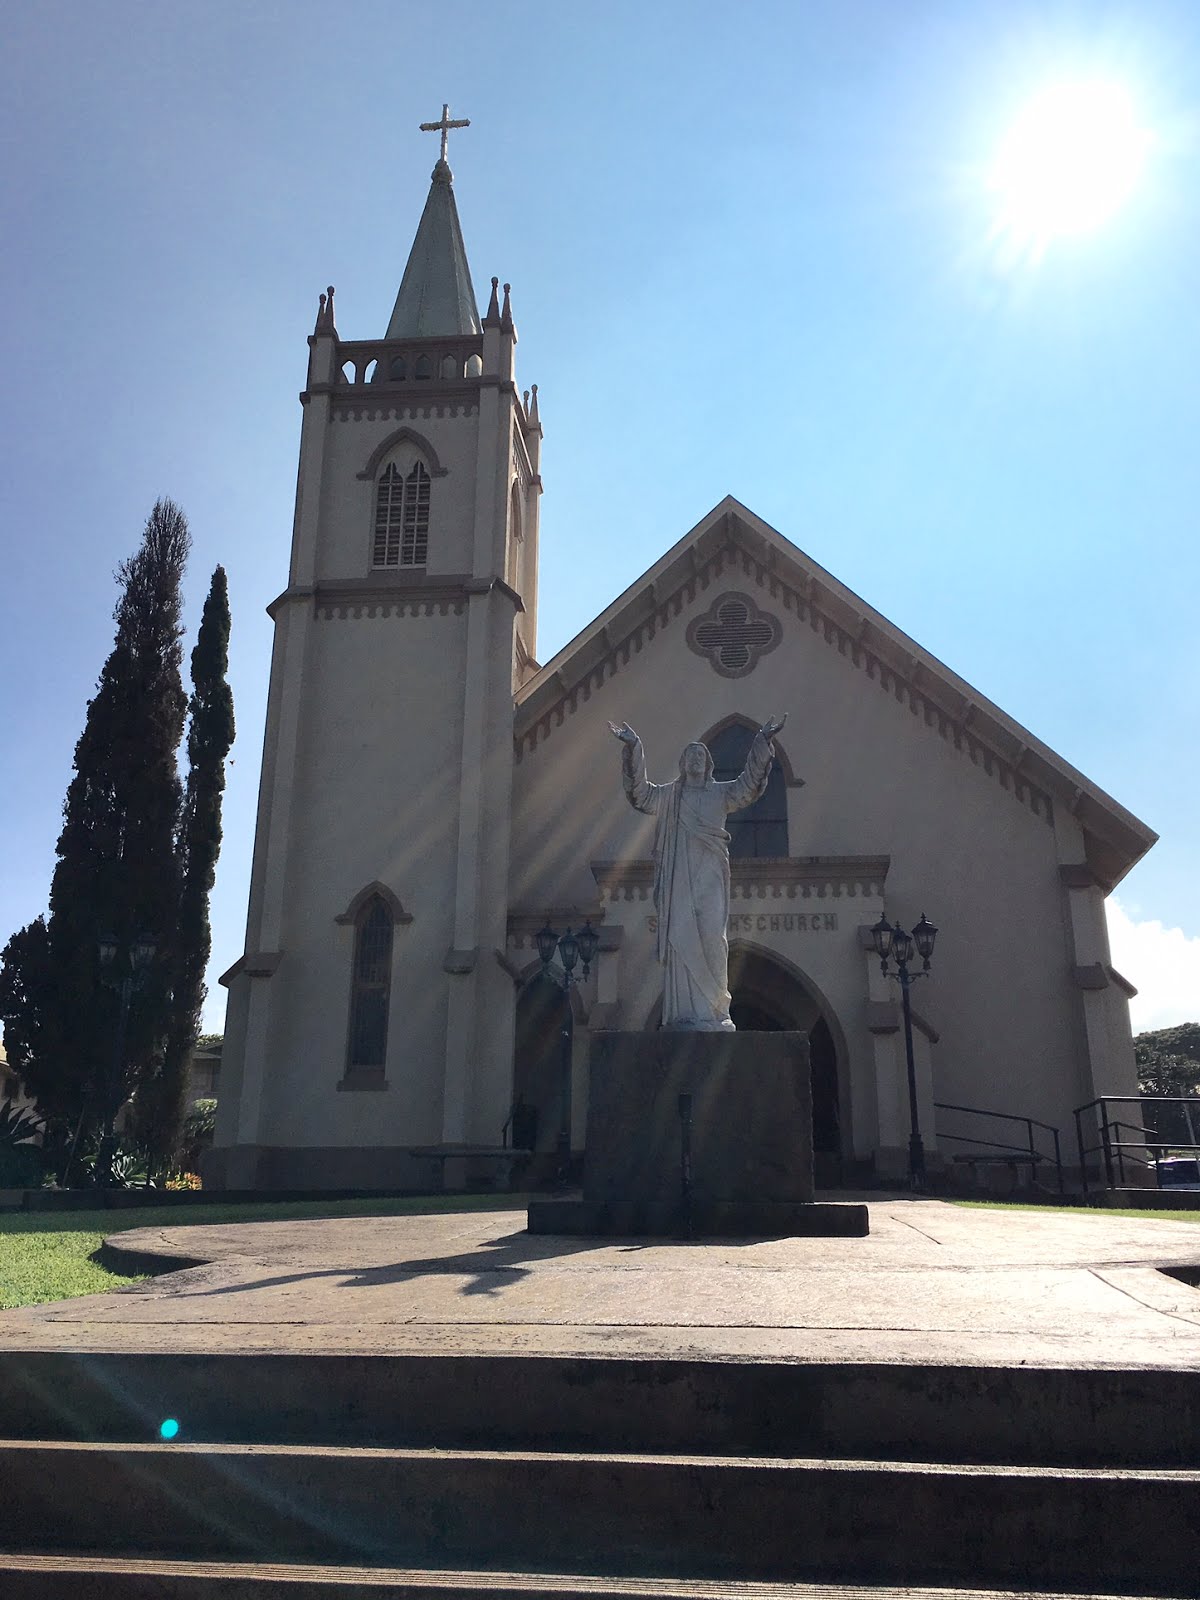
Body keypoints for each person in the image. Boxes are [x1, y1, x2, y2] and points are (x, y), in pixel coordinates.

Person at [607, 716, 787, 1030]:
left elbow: (748, 787)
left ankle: (716, 1009)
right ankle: (685, 1013)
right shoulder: (668, 797)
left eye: (700, 755)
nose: (695, 759)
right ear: (682, 764)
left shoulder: (721, 794)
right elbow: (640, 794)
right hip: (679, 879)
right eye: (690, 755)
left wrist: (762, 742)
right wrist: (634, 747)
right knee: (682, 940)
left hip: (711, 877)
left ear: (708, 764)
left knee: (714, 938)